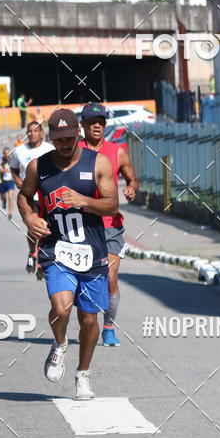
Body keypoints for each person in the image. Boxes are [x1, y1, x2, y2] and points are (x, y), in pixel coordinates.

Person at [17, 108, 118, 400]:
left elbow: (112, 205)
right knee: (61, 308)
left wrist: (84, 200)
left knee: (89, 320)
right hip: (56, 250)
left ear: (78, 135)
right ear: (51, 138)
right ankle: (59, 344)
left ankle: (83, 375)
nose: (64, 144)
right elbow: (24, 196)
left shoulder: (98, 163)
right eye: (58, 139)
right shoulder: (38, 166)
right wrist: (28, 218)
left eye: (69, 138)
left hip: (92, 252)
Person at [79, 103, 139, 347]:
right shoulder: (74, 151)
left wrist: (131, 188)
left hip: (110, 224)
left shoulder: (118, 152)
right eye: (92, 121)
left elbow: (132, 178)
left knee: (111, 277)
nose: (97, 125)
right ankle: (88, 322)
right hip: (82, 223)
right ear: (82, 124)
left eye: (101, 121)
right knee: (86, 278)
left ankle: (109, 327)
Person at [10, 121, 54, 273]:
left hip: (46, 193)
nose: (33, 134)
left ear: (42, 133)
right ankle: (33, 252)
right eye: (30, 131)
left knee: (47, 225)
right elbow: (13, 167)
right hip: (29, 194)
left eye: (36, 131)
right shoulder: (19, 151)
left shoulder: (50, 149)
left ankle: (42, 256)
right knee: (33, 225)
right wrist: (17, 180)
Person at [0, 147, 16, 221]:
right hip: (2, 181)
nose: (7, 155)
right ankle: (4, 202)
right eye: (5, 153)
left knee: (11, 197)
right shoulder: (1, 160)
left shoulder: (13, 160)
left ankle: (10, 213)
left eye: (8, 153)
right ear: (3, 154)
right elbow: (0, 169)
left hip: (10, 182)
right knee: (3, 197)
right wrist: (8, 170)